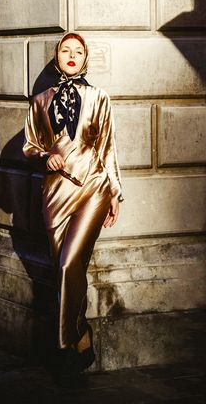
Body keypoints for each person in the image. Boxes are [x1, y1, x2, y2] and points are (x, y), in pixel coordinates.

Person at [23, 32, 123, 379]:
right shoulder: (39, 101)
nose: (71, 55)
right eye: (65, 49)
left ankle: (64, 348)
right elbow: (29, 144)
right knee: (65, 267)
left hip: (92, 189)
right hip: (55, 193)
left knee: (67, 265)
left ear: (85, 59)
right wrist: (44, 155)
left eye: (77, 51)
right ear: (57, 56)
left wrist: (115, 193)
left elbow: (108, 149)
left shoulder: (99, 98)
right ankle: (82, 334)